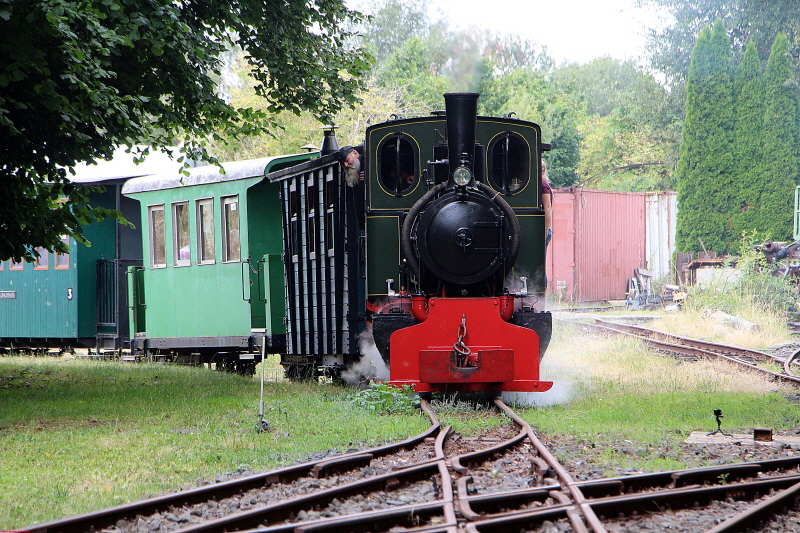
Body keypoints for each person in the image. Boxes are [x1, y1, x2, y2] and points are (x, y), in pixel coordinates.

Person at [541, 159, 553, 247]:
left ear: (542, 171)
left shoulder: (542, 184)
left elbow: (547, 207)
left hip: (543, 229)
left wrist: (545, 231)